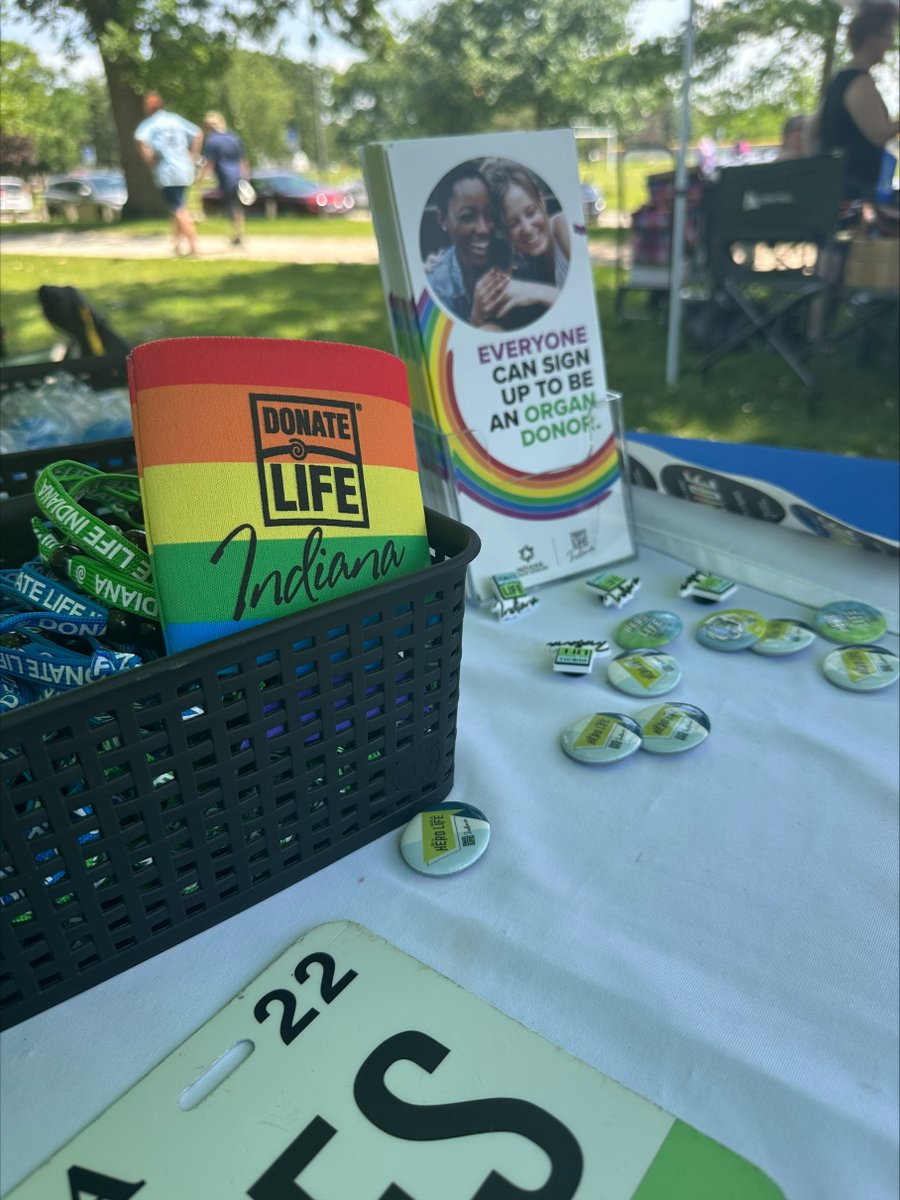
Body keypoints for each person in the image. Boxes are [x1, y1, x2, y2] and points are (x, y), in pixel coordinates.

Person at [809, 2, 900, 200]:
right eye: (888, 36)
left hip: (837, 191)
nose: (890, 44)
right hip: (855, 194)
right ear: (871, 39)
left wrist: (823, 174)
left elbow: (811, 131)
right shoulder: (859, 83)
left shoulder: (839, 81)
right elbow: (878, 134)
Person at [479, 158, 570, 327]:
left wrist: (535, 292)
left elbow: (585, 304)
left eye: (531, 212)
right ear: (503, 232)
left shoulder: (564, 225)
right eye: (513, 223)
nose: (527, 228)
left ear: (542, 202)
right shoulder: (520, 264)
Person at [424, 161, 509, 326]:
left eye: (489, 215)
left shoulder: (514, 256)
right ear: (443, 219)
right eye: (468, 217)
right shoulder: (436, 286)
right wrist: (476, 318)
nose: (484, 229)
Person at [134, 92, 202, 257]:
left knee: (178, 209)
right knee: (178, 206)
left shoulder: (151, 123)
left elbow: (139, 139)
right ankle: (177, 244)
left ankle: (193, 245)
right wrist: (193, 156)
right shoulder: (174, 119)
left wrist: (150, 160)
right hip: (184, 168)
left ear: (150, 107)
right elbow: (198, 134)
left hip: (168, 170)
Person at [198, 112, 250, 247]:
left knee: (231, 206)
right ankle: (239, 233)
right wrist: (245, 177)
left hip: (225, 177)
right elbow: (243, 160)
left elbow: (209, 163)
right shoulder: (234, 138)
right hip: (238, 176)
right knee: (237, 206)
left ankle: (237, 234)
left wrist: (200, 179)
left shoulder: (212, 141)